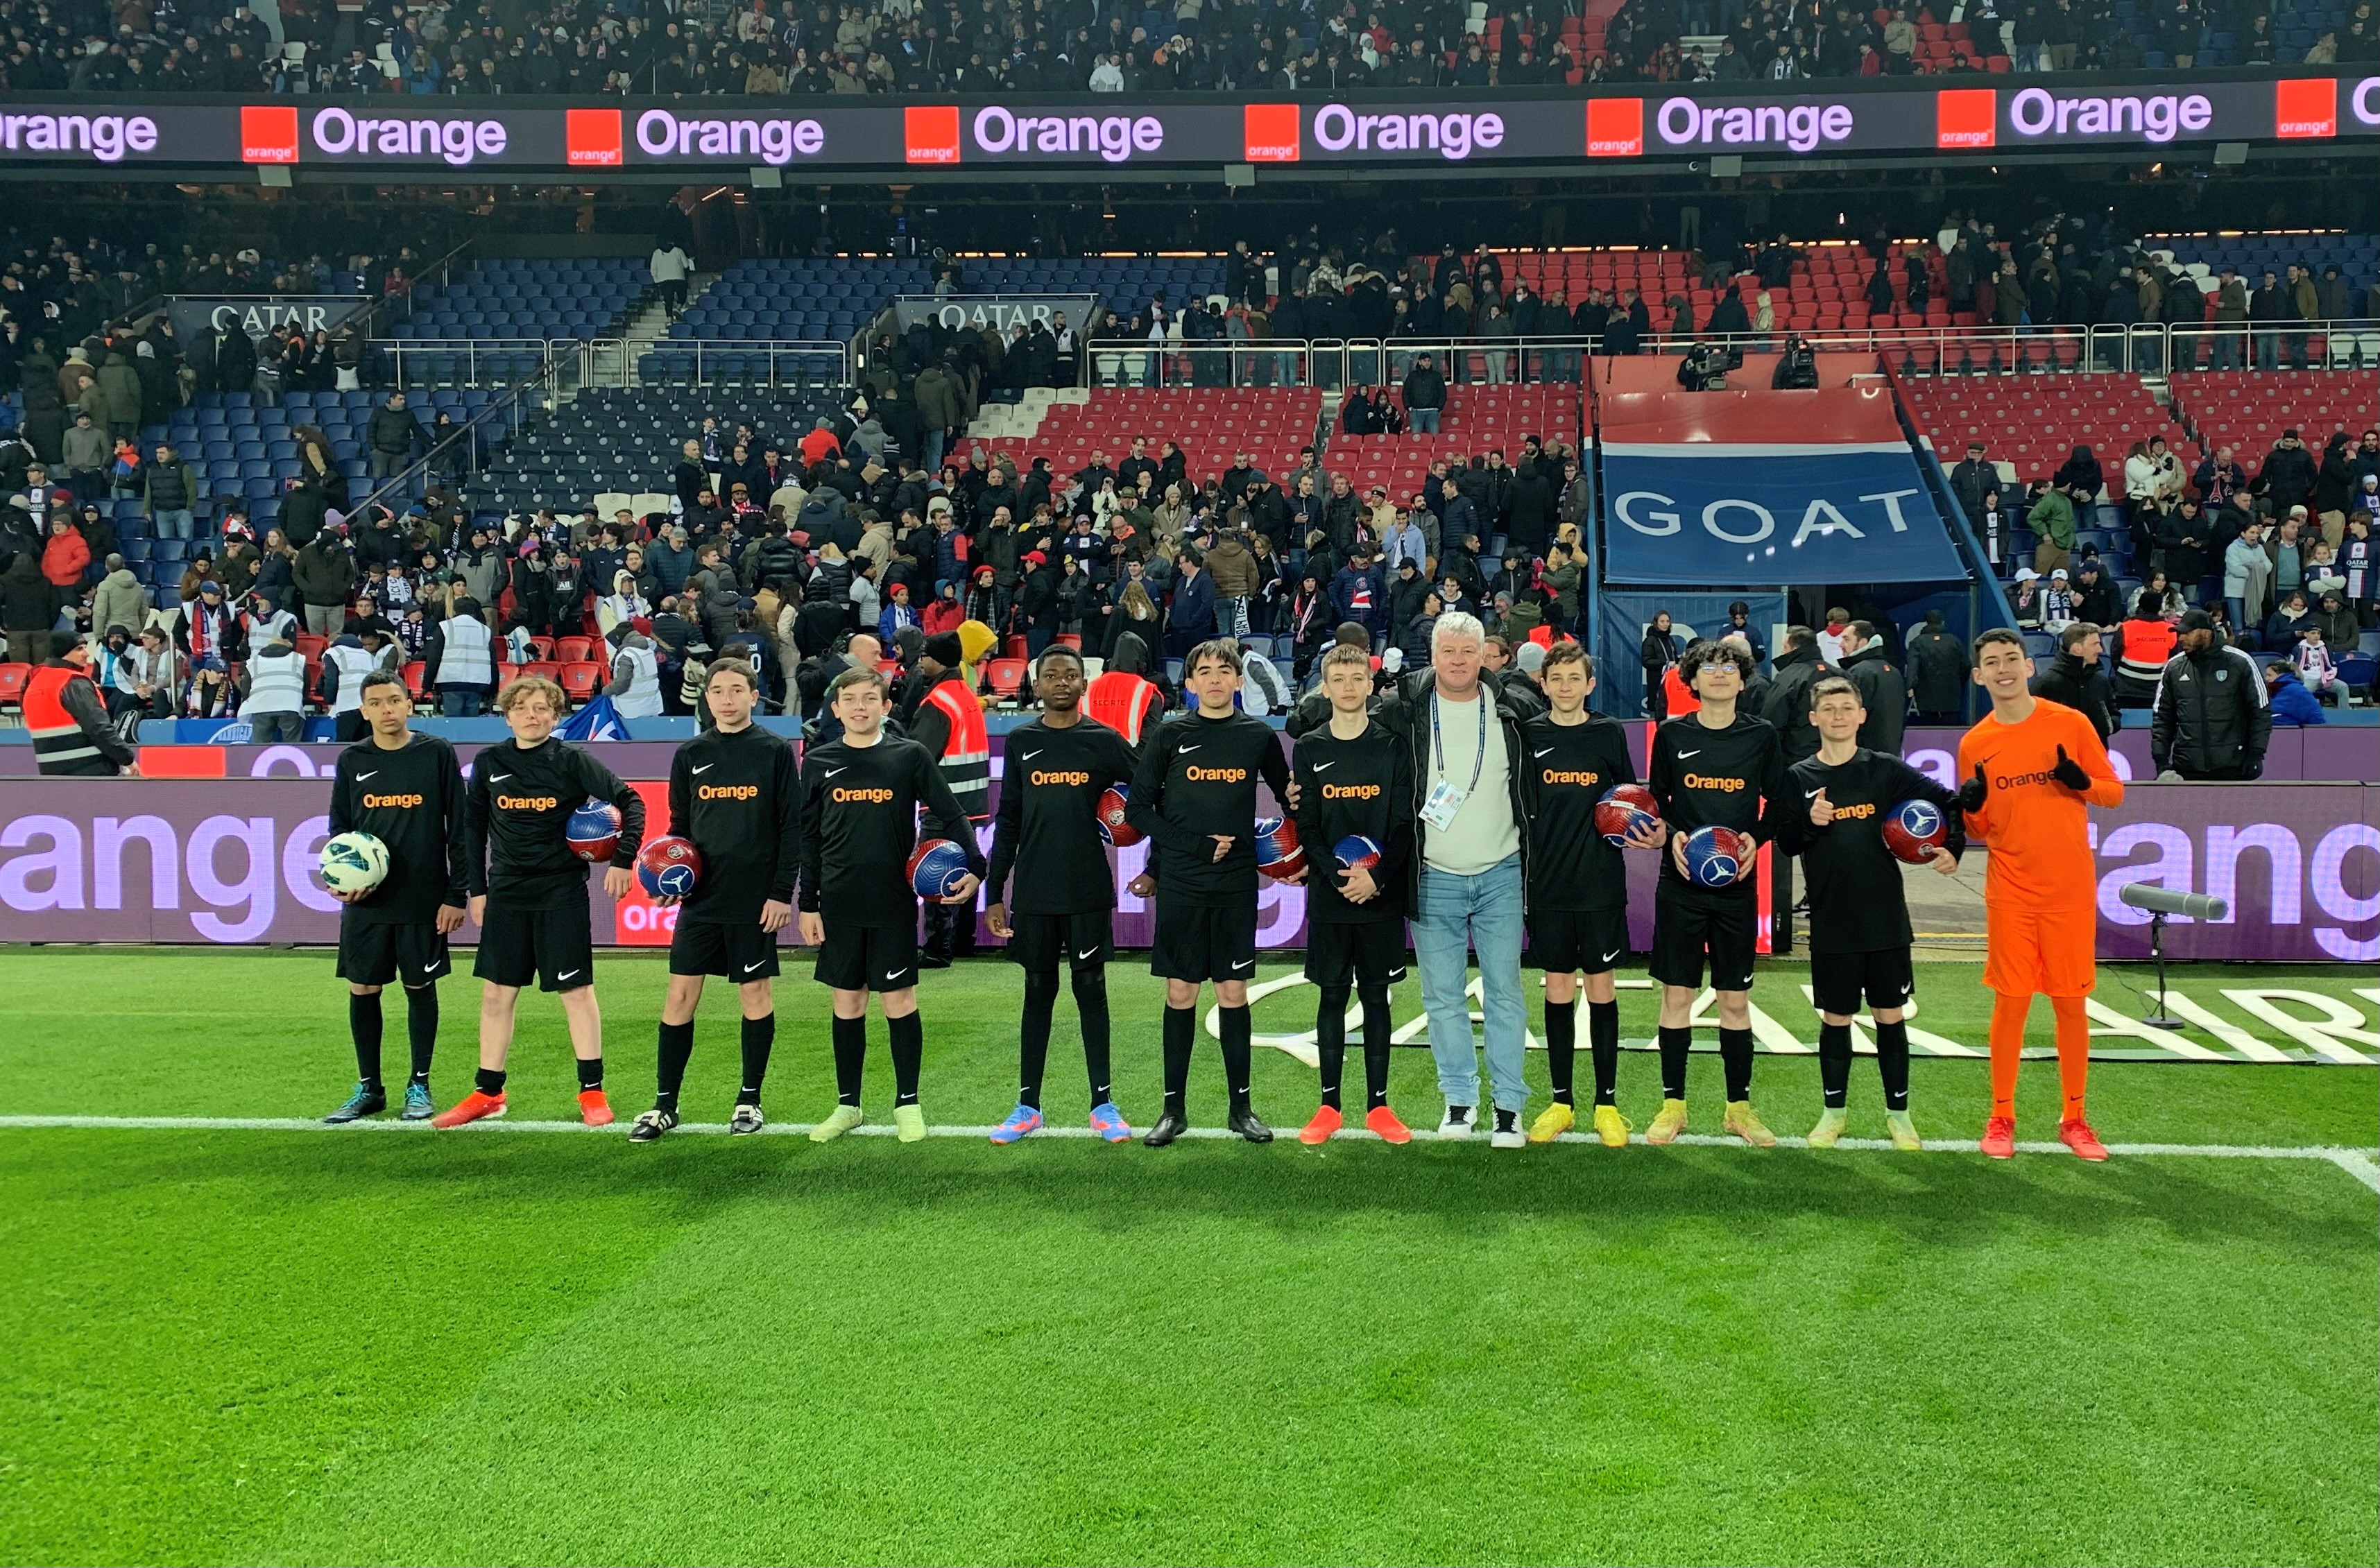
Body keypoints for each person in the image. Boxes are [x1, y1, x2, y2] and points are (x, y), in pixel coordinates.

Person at [434, 675, 645, 1130]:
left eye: (543, 707)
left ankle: (592, 1090)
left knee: (575, 992)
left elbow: (631, 801)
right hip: (506, 895)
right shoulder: (490, 763)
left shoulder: (571, 761)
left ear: (555, 715)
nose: (533, 714)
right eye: (524, 707)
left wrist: (623, 860)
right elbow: (471, 830)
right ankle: (488, 1092)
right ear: (507, 715)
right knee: (496, 994)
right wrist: (477, 891)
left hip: (560, 894)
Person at [1371, 612, 1543, 1147]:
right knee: (1441, 997)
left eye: (1469, 651)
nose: (1458, 661)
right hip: (1431, 874)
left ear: (1486, 655)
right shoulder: (1403, 707)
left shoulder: (1512, 708)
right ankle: (1459, 1100)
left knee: (1505, 994)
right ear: (1434, 655)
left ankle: (1509, 1106)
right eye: (1449, 651)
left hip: (1500, 870)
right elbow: (1334, 721)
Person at [1955, 629, 2124, 1161]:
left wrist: (2080, 782)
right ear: (1978, 675)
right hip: (2010, 890)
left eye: (2010, 659)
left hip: (2069, 889)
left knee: (2071, 1003)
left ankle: (2074, 1118)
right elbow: (1979, 829)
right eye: (1990, 662)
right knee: (2011, 1001)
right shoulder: (1974, 743)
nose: (2002, 669)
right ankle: (2000, 1115)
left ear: (2028, 666)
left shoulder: (2069, 723)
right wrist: (1972, 805)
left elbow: (2112, 792)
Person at [798, 666, 984, 1144]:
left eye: (869, 698)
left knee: (899, 1000)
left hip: (893, 900)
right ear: (835, 709)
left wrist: (977, 867)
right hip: (838, 901)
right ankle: (847, 1105)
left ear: (886, 707)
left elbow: (951, 812)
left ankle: (908, 1103)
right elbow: (809, 836)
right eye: (850, 699)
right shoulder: (818, 761)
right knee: (848, 1000)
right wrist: (808, 902)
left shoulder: (909, 755)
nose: (860, 707)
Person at [1124, 638, 1296, 1147]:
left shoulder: (1256, 735)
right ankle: (1172, 1111)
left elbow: (1290, 799)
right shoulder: (1170, 735)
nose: (1216, 678)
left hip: (1236, 884)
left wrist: (1294, 854)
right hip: (1181, 882)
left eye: (1225, 670)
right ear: (1191, 682)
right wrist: (1194, 846)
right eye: (1205, 670)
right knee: (1180, 992)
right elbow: (1137, 810)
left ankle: (1240, 1108)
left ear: (1239, 681)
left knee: (1232, 992)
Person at [1780, 677, 1963, 1151]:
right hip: (1830, 919)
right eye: (1828, 708)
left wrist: (1950, 848)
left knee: (1889, 1015)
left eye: (1847, 707)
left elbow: (1948, 801)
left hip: (1883, 917)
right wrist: (1809, 822)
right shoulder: (1798, 776)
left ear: (1861, 716)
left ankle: (1898, 1114)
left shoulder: (1884, 769)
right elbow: (1785, 842)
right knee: (1835, 1018)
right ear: (1813, 718)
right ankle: (1832, 1113)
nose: (1838, 715)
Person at [628, 661, 801, 1144]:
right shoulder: (691, 753)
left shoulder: (774, 751)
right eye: (717, 691)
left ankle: (749, 1099)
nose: (726, 698)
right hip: (700, 899)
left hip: (753, 899)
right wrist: (669, 875)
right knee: (680, 996)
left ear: (753, 696)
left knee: (754, 995)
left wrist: (780, 892)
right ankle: (665, 1104)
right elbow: (679, 828)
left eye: (736, 690)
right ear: (706, 699)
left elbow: (792, 827)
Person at [982, 646, 1143, 1144]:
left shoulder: (1103, 740)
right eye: (1050, 675)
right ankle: (1027, 1105)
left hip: (1086, 887)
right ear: (1037, 684)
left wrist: (1149, 853)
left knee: (1091, 990)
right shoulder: (1023, 741)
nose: (1060, 682)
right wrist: (994, 892)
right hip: (1033, 889)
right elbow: (1007, 819)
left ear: (1082, 684)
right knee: (1037, 992)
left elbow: (1151, 790)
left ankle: (1103, 1104)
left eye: (1069, 674)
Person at [1644, 639, 1788, 1146]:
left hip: (1736, 889)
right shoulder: (1670, 734)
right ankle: (1672, 1105)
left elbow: (1780, 801)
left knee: (1733, 998)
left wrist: (1756, 836)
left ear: (1742, 678)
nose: (1720, 673)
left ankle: (1738, 1108)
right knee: (1676, 995)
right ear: (1693, 679)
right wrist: (1672, 833)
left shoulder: (1761, 736)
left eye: (1729, 666)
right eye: (1709, 666)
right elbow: (1655, 802)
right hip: (1679, 884)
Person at [1521, 644, 1654, 1147]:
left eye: (1574, 677)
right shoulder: (1528, 735)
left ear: (1589, 683)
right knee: (1557, 988)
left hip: (1599, 884)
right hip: (1547, 884)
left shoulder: (1606, 733)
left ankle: (1605, 1103)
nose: (1564, 686)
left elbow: (1629, 804)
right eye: (1556, 678)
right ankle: (1560, 1103)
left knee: (1601, 989)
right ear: (1544, 682)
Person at [322, 671, 468, 1126]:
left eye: (394, 700)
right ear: (363, 710)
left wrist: (455, 894)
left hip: (423, 899)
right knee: (362, 987)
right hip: (366, 902)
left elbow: (459, 830)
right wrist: (341, 879)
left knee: (419, 986)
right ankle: (369, 1088)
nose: (386, 709)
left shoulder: (436, 754)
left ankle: (419, 1083)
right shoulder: (352, 760)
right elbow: (338, 831)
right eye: (376, 702)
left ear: (409, 705)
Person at [1290, 643, 1415, 1145]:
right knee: (1331, 996)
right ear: (1325, 687)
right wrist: (1338, 876)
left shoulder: (1391, 746)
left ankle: (1379, 1107)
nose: (1346, 686)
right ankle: (1329, 1105)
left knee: (1376, 999)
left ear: (1370, 684)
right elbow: (1309, 825)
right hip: (1330, 896)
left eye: (1355, 677)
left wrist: (1376, 878)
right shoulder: (1309, 748)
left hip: (1379, 896)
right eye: (1337, 678)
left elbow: (1406, 823)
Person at [2150, 608, 2270, 780]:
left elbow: (2260, 711)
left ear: (2206, 633)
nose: (2181, 638)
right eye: (2180, 633)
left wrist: (2256, 754)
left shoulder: (2240, 662)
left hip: (2234, 769)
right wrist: (2161, 761)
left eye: (2187, 633)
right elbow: (2162, 718)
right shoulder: (2174, 668)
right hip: (2187, 769)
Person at [25, 635, 137, 776]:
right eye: (79, 649)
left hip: (51, 775)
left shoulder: (36, 683)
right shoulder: (74, 683)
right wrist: (127, 759)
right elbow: (98, 727)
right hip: (91, 771)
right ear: (62, 652)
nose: (87, 654)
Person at [2030, 621, 2118, 740]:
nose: (2100, 649)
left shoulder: (2101, 681)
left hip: (2097, 755)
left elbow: (2114, 715)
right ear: (2077, 648)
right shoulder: (2046, 683)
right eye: (2095, 644)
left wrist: (2107, 726)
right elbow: (2033, 724)